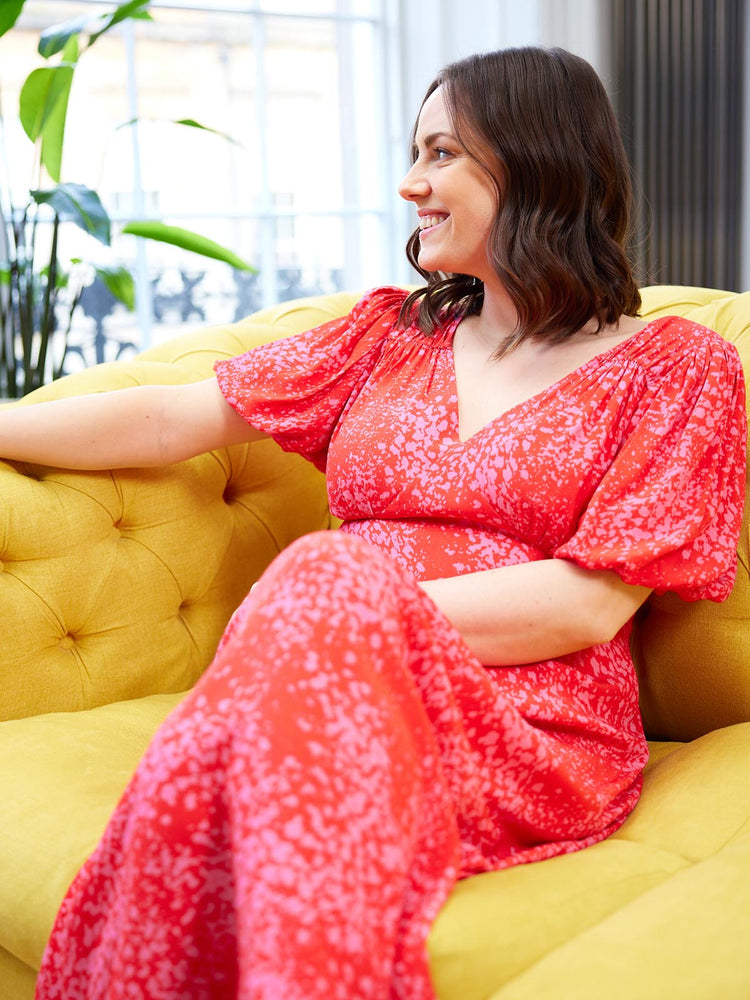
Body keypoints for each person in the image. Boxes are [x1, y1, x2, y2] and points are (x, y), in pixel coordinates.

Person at [2, 46, 742, 1000]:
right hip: (313, 670)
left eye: (440, 154)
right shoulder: (388, 336)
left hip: (522, 716)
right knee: (265, 706)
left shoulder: (676, 369)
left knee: (317, 583)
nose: (410, 184)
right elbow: (168, 417)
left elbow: (588, 607)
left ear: (535, 161)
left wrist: (342, 610)